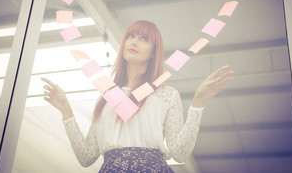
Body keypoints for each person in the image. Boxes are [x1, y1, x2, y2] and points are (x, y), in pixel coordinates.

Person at [41, 20, 233, 172]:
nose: (133, 41)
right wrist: (65, 110)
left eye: (143, 39)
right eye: (130, 36)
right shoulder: (107, 95)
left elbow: (180, 153)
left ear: (153, 53)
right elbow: (86, 157)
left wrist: (198, 104)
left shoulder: (166, 95)